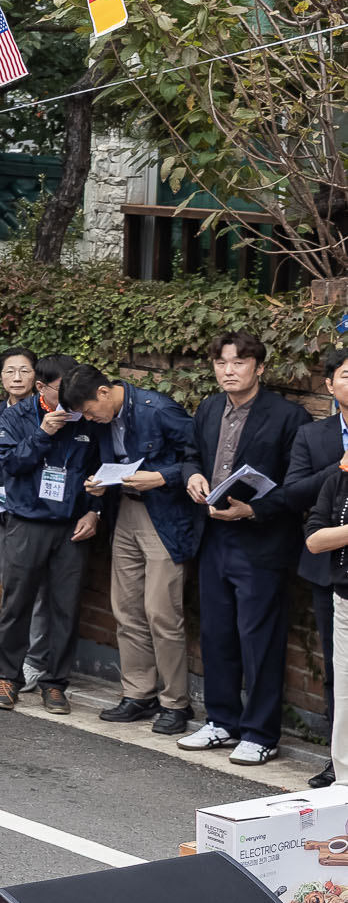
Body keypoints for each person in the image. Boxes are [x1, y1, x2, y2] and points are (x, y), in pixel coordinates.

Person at [179, 332, 306, 765]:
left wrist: (252, 511)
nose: (228, 371)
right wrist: (192, 476)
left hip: (261, 540)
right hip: (213, 535)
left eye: (238, 363)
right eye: (221, 363)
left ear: (260, 368)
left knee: (260, 638)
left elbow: (300, 486)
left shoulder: (289, 416)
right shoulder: (210, 407)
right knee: (216, 633)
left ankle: (260, 732)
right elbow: (190, 453)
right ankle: (222, 720)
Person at [61, 365, 200, 739]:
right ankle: (139, 693)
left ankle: (176, 702)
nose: (90, 419)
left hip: (165, 514)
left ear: (105, 393)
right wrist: (100, 490)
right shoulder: (106, 418)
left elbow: (197, 456)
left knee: (161, 611)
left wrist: (161, 477)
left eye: (90, 411)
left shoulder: (159, 409)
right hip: (125, 510)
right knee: (126, 607)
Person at [0, 352, 100, 713]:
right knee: (17, 602)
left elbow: (103, 468)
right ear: (41, 387)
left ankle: (55, 683)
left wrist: (95, 511)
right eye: (61, 389)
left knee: (65, 606)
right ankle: (9, 676)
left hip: (71, 525)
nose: (71, 398)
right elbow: (8, 464)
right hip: (27, 521)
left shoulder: (87, 419)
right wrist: (42, 433)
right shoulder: (17, 416)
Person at [283, 346, 348, 786]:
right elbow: (293, 494)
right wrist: (337, 471)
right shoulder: (314, 435)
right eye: (346, 374)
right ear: (329, 384)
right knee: (337, 671)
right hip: (331, 571)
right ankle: (337, 757)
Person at [304, 440, 348, 785]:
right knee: (345, 693)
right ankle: (344, 781)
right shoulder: (337, 482)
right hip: (344, 602)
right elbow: (315, 540)